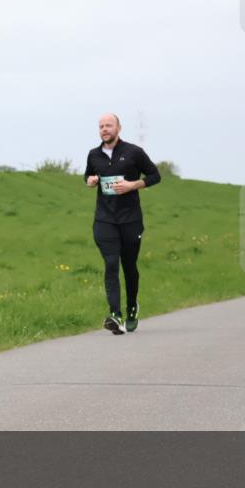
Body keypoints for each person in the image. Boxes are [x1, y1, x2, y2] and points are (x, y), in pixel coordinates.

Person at [84, 113, 160, 334]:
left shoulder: (134, 152)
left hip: (130, 220)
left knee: (129, 266)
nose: (104, 129)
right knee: (110, 264)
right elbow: (88, 176)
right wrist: (90, 181)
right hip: (104, 219)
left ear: (119, 128)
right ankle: (115, 314)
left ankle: (131, 308)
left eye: (109, 125)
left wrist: (133, 185)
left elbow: (155, 176)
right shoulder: (93, 155)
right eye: (101, 126)